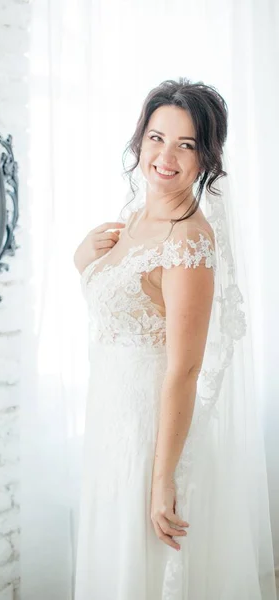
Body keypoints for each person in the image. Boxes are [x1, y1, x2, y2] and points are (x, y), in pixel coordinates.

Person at [72, 78, 276, 599]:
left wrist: (164, 478)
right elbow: (116, 307)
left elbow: (184, 369)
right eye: (157, 138)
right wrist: (82, 258)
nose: (166, 156)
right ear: (140, 140)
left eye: (186, 145)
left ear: (206, 158)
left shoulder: (189, 242)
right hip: (109, 426)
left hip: (150, 435)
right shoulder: (135, 217)